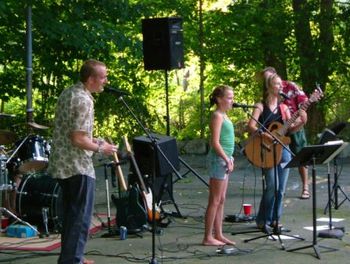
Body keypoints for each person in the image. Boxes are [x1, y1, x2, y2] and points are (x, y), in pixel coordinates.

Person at [48, 59, 117, 264]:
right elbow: (77, 139)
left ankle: (72, 256)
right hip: (77, 167)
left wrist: (95, 140)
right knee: (79, 219)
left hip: (62, 163)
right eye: (103, 77)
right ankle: (72, 260)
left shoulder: (69, 92)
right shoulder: (84, 100)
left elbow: (73, 132)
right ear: (91, 79)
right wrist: (101, 148)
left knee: (71, 216)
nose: (106, 81)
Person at [247, 73, 306, 232]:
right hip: (266, 150)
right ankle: (262, 219)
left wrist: (302, 121)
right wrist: (263, 134)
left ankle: (275, 220)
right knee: (272, 186)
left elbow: (290, 130)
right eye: (277, 84)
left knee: (281, 188)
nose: (281, 87)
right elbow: (251, 125)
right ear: (269, 87)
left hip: (284, 150)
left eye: (281, 84)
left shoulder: (284, 107)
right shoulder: (260, 106)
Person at [260, 67, 310, 199]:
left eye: (269, 77)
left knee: (300, 155)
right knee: (278, 157)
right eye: (265, 79)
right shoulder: (267, 92)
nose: (267, 80)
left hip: (293, 121)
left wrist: (300, 119)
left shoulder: (290, 86)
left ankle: (305, 187)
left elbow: (303, 100)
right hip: (278, 130)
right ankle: (275, 185)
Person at [203, 84, 236, 246]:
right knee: (215, 200)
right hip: (219, 160)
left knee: (221, 199)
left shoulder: (225, 116)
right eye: (229, 98)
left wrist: (230, 158)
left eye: (232, 97)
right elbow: (215, 143)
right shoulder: (217, 116)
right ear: (219, 99)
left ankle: (219, 234)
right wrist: (226, 158)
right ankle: (208, 237)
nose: (232, 101)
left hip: (226, 159)